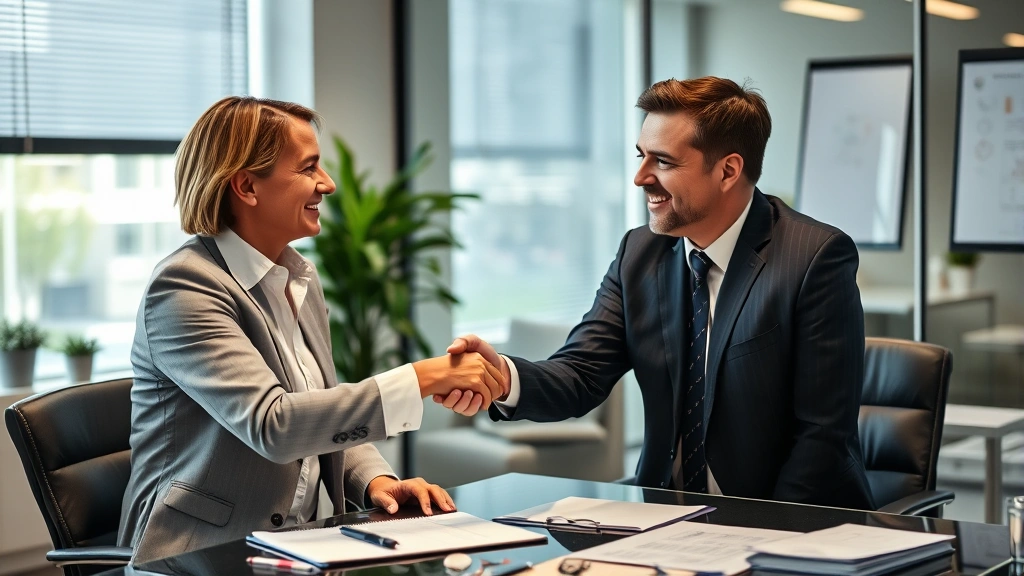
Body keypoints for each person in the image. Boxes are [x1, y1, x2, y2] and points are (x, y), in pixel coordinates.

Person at [443, 77, 876, 510]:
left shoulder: (813, 258)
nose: (639, 177)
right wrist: (501, 376)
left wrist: (762, 537)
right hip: (663, 518)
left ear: (728, 170)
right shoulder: (640, 253)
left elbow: (821, 437)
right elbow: (580, 374)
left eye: (663, 162)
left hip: (784, 522)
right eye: (640, 156)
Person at [118, 96, 505, 563]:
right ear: (246, 186)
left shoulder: (299, 278)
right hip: (196, 556)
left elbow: (321, 411)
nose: (329, 183)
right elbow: (274, 424)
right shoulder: (185, 287)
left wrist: (378, 483)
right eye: (309, 168)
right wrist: (422, 378)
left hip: (293, 549)